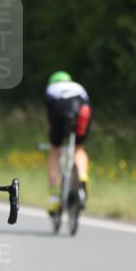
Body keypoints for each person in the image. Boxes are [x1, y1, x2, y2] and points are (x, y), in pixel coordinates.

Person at [45, 70, 91, 213]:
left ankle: (54, 196)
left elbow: (51, 120)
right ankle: (82, 176)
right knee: (79, 148)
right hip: (83, 108)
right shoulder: (78, 87)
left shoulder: (51, 89)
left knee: (54, 152)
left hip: (61, 107)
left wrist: (53, 138)